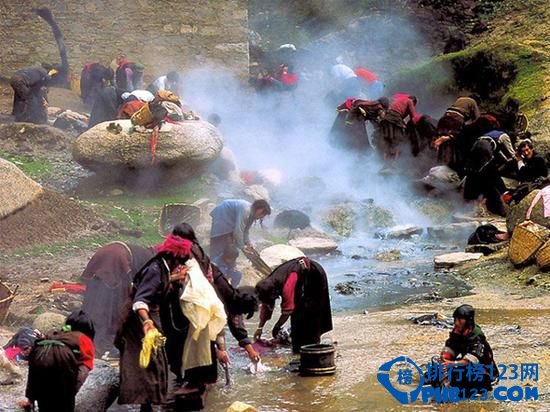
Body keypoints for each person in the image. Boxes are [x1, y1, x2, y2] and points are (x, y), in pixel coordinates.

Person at [115, 233, 192, 411]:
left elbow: (160, 282)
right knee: (149, 363)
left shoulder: (162, 266)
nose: (180, 265)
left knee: (154, 361)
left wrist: (174, 279)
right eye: (180, 261)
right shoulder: (155, 270)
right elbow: (140, 301)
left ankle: (148, 403)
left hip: (149, 318)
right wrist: (147, 322)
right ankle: (146, 405)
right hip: (140, 320)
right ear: (174, 256)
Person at [80, 242, 155, 354]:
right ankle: (101, 342)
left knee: (94, 298)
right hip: (117, 260)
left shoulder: (141, 251)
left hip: (104, 254)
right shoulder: (152, 261)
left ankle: (85, 331)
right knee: (111, 303)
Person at [254, 257, 333, 353]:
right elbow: (267, 306)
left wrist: (277, 327)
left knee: (311, 312)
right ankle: (298, 345)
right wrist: (260, 328)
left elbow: (288, 310)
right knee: (298, 315)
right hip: (301, 279)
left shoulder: (287, 284)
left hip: (314, 276)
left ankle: (313, 345)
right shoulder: (267, 285)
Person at [25, 310, 95, 412]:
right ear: (89, 329)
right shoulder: (85, 339)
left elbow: (33, 373)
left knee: (44, 403)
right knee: (63, 405)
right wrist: (71, 392)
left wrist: (30, 398)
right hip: (62, 362)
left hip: (39, 355)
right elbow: (83, 369)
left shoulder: (58, 333)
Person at [429, 304, 497, 394]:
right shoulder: (458, 332)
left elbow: (471, 360)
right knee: (436, 368)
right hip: (464, 365)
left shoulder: (477, 336)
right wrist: (444, 360)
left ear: (468, 321)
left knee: (461, 377)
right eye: (455, 320)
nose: (456, 323)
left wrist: (452, 364)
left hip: (484, 371)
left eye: (460, 320)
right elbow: (451, 348)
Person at [209, 199, 271, 275]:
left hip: (230, 219)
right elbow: (238, 230)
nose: (262, 216)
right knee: (220, 240)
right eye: (262, 212)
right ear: (258, 208)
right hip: (223, 215)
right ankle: (213, 266)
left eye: (264, 215)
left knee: (230, 244)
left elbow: (245, 230)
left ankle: (226, 268)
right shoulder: (246, 210)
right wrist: (242, 246)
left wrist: (248, 242)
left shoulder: (252, 214)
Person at [379, 94, 420, 161]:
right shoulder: (409, 101)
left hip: (386, 119)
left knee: (388, 141)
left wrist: (403, 124)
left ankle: (385, 161)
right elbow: (414, 116)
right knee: (398, 141)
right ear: (414, 102)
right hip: (394, 119)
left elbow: (396, 112)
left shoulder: (399, 100)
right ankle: (396, 162)